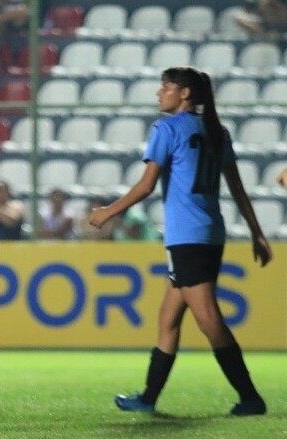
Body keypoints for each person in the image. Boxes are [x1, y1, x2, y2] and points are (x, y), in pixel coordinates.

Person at [88, 66, 272, 416]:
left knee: (208, 319)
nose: (159, 93)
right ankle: (148, 398)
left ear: (184, 94)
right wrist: (256, 232)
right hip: (210, 234)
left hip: (187, 237)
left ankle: (250, 397)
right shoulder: (218, 131)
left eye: (165, 87)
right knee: (168, 318)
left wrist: (108, 211)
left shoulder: (167, 128)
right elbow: (237, 188)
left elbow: (146, 186)